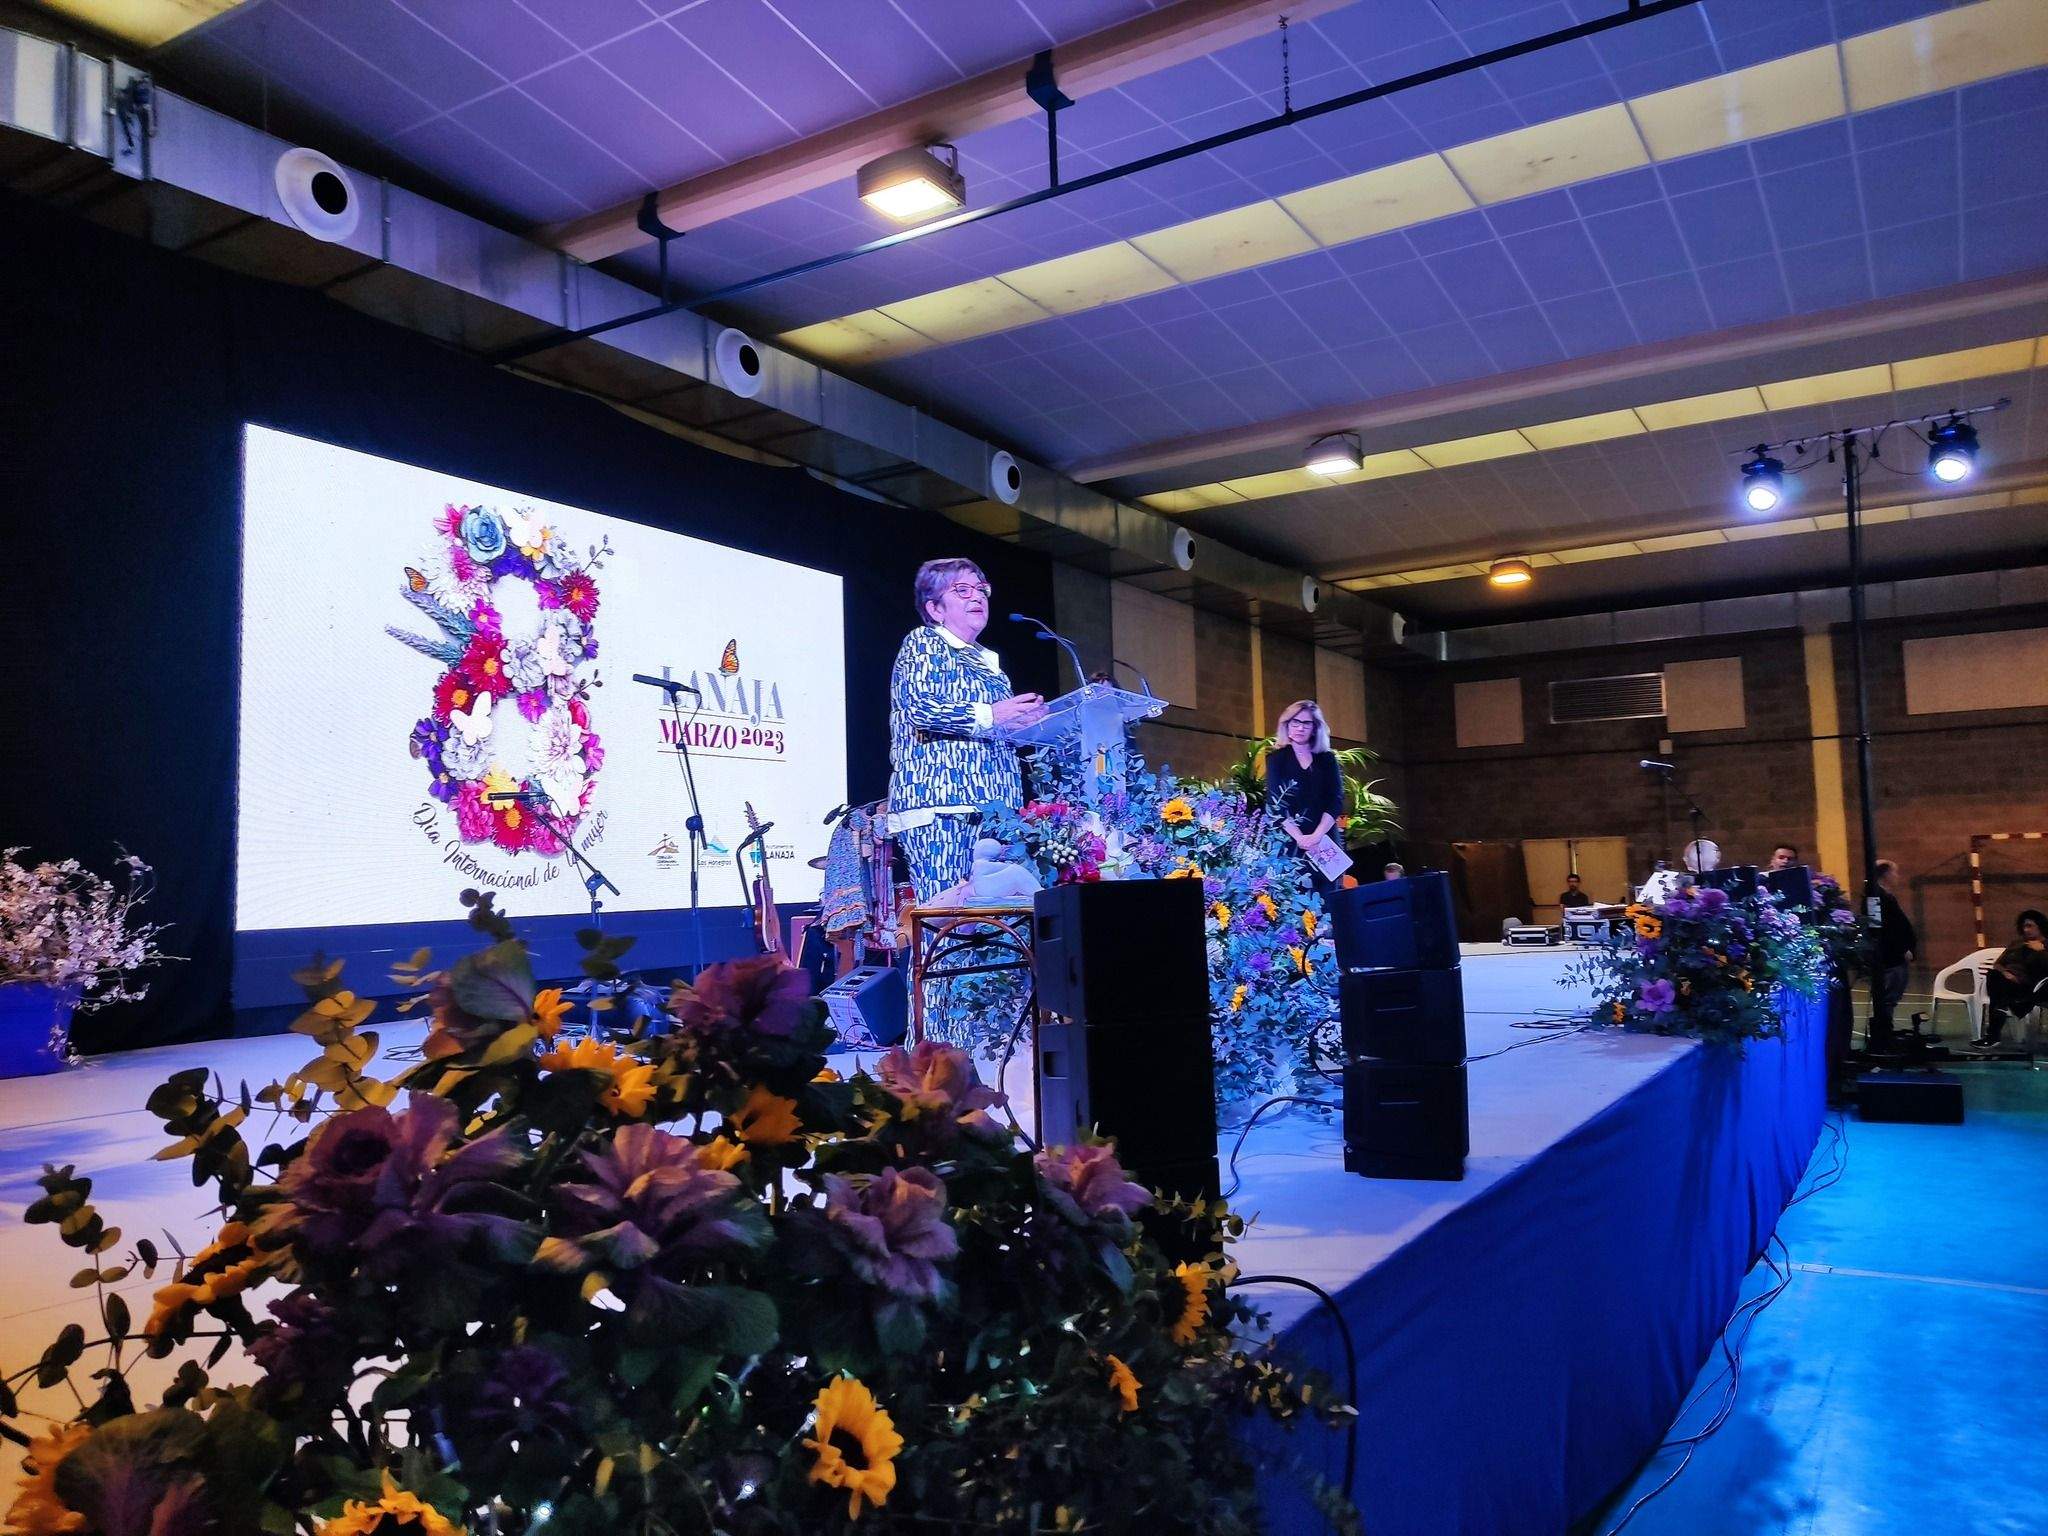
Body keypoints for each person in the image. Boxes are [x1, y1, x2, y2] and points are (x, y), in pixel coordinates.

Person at [887, 559, 1046, 902]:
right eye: (962, 590)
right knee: (949, 916)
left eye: (981, 590)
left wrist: (1026, 724)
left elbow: (992, 726)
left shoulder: (989, 664)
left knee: (992, 922)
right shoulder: (924, 642)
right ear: (935, 608)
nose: (977, 597)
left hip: (994, 810)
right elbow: (919, 708)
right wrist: (993, 713)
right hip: (943, 807)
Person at [1265, 699, 1346, 895]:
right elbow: (1276, 804)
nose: (1300, 728)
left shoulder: (1327, 759)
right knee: (1294, 903)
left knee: (1329, 901)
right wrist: (1301, 838)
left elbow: (1335, 799)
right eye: (1295, 722)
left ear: (1315, 728)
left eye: (1306, 723)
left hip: (1325, 839)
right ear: (1287, 725)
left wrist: (1316, 836)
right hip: (1291, 840)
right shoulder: (1276, 759)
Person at [1980, 909, 2048, 1048]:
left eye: (2030, 926)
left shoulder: (2046, 945)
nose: (2026, 930)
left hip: (2030, 986)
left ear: (2040, 927)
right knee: (1994, 976)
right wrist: (2006, 973)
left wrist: (2041, 951)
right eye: (2024, 926)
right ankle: (2006, 1008)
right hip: (2008, 982)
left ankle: (1993, 1035)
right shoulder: (2017, 944)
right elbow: (1998, 964)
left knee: (1998, 996)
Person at [1868, 858, 1916, 1049]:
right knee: (1887, 999)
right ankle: (1883, 1037)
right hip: (1890, 959)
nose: (1897, 876)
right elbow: (1883, 930)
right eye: (1894, 872)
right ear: (1885, 874)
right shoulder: (1876, 897)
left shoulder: (1886, 896)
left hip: (1896, 957)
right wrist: (1901, 949)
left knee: (1891, 998)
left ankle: (1886, 1033)